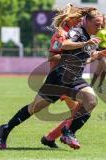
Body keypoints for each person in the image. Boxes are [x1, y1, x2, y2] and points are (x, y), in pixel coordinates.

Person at [0, 8, 106, 150]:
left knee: (90, 100)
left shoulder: (90, 38)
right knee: (34, 108)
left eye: (101, 25)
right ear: (87, 21)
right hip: (60, 76)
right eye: (97, 24)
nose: (99, 28)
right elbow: (64, 44)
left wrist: (100, 54)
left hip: (73, 77)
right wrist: (84, 44)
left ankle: (68, 133)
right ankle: (6, 128)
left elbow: (84, 59)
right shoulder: (78, 32)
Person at [41, 4, 97, 149]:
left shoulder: (72, 32)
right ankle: (59, 135)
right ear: (69, 19)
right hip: (60, 79)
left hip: (67, 78)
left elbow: (82, 55)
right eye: (77, 19)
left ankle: (50, 137)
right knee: (79, 110)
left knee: (77, 111)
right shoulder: (62, 34)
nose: (79, 22)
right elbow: (51, 57)